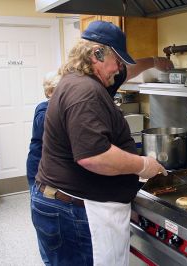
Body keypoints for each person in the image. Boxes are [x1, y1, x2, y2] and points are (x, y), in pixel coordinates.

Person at [30, 20, 174, 266]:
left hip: (64, 204)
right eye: (117, 61)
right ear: (96, 54)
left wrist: (154, 61)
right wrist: (141, 165)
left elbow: (128, 70)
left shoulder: (80, 79)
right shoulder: (85, 91)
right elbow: (93, 156)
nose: (119, 69)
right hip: (76, 213)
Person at [26, 71, 60, 265]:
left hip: (48, 172)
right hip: (38, 172)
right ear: (49, 93)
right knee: (45, 225)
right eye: (59, 92)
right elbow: (45, 124)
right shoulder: (44, 109)